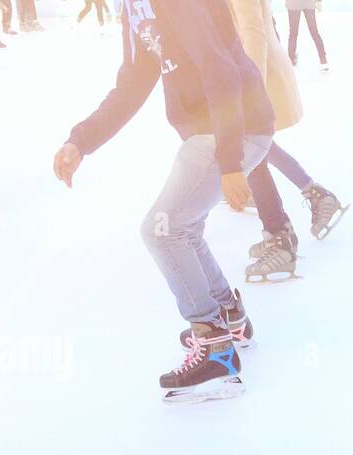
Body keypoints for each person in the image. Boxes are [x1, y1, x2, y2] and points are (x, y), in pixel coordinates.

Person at [53, 0, 276, 404]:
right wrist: (80, 141)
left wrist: (230, 163)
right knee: (182, 228)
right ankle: (229, 315)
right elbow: (132, 84)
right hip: (213, 129)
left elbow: (219, 68)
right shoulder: (133, 7)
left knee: (163, 230)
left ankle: (215, 349)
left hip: (233, 126)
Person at [227, 0, 348, 283]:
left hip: (259, 75)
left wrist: (250, 90)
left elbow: (252, 32)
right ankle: (313, 197)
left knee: (253, 150)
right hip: (259, 71)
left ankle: (280, 236)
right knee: (259, 148)